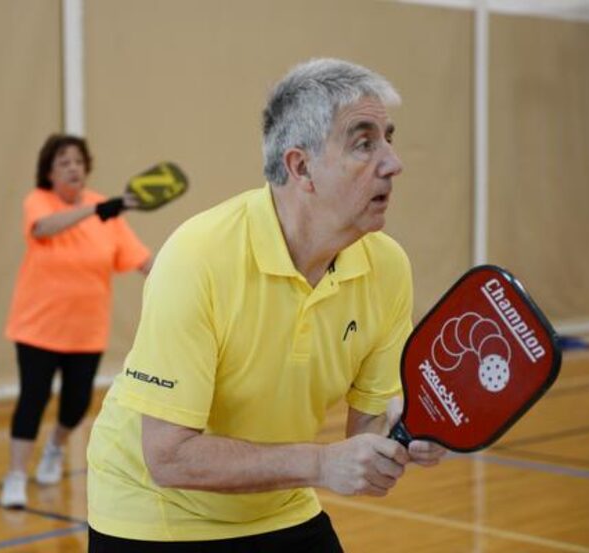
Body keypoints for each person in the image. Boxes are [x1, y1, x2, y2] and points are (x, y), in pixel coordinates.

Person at [85, 58, 447, 551]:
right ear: (301, 167)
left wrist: (411, 430)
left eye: (389, 137)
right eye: (364, 143)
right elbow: (167, 458)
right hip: (155, 511)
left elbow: (369, 423)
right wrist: (320, 464)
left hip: (278, 502)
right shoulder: (199, 256)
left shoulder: (387, 267)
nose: (392, 162)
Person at [0, 134, 151, 508]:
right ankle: (16, 475)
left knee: (77, 404)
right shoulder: (40, 202)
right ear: (49, 173)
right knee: (33, 399)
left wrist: (182, 276)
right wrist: (96, 211)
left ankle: (54, 449)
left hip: (87, 330)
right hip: (38, 327)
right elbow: (44, 228)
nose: (73, 168)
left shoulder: (106, 210)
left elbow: (140, 259)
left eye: (79, 162)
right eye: (64, 162)